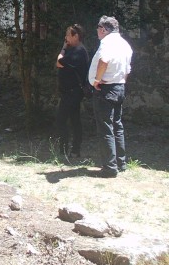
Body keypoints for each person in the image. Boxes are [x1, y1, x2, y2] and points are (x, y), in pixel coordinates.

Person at [88, 15, 133, 178]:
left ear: (103, 29)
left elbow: (104, 60)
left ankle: (109, 167)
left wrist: (97, 80)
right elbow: (127, 70)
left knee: (106, 127)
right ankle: (121, 163)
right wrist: (120, 82)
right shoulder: (124, 44)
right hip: (119, 86)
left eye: (98, 30)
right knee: (117, 125)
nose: (97, 33)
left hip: (106, 88)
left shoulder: (107, 42)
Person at [55, 24, 89, 163]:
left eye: (68, 35)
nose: (66, 38)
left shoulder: (79, 51)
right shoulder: (73, 49)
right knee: (74, 120)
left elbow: (59, 62)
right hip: (69, 92)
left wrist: (63, 48)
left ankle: (64, 149)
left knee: (61, 120)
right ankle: (75, 150)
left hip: (72, 93)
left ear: (76, 36)